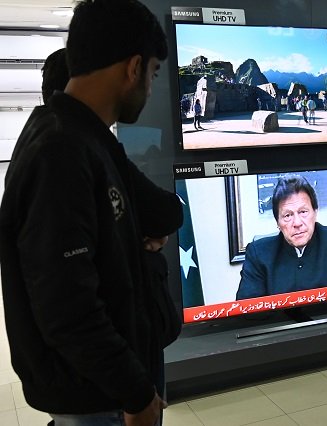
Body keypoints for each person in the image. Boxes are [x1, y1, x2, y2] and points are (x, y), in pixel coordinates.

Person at [0, 1, 183, 426]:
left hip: (109, 386)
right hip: (95, 395)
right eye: (154, 73)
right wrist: (136, 395)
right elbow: (67, 309)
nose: (152, 87)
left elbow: (160, 211)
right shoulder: (58, 152)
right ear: (133, 67)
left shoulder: (87, 138)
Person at [236, 175, 327, 300]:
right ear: (278, 222)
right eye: (287, 215)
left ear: (315, 212)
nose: (297, 223)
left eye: (303, 212)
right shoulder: (258, 253)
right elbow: (247, 311)